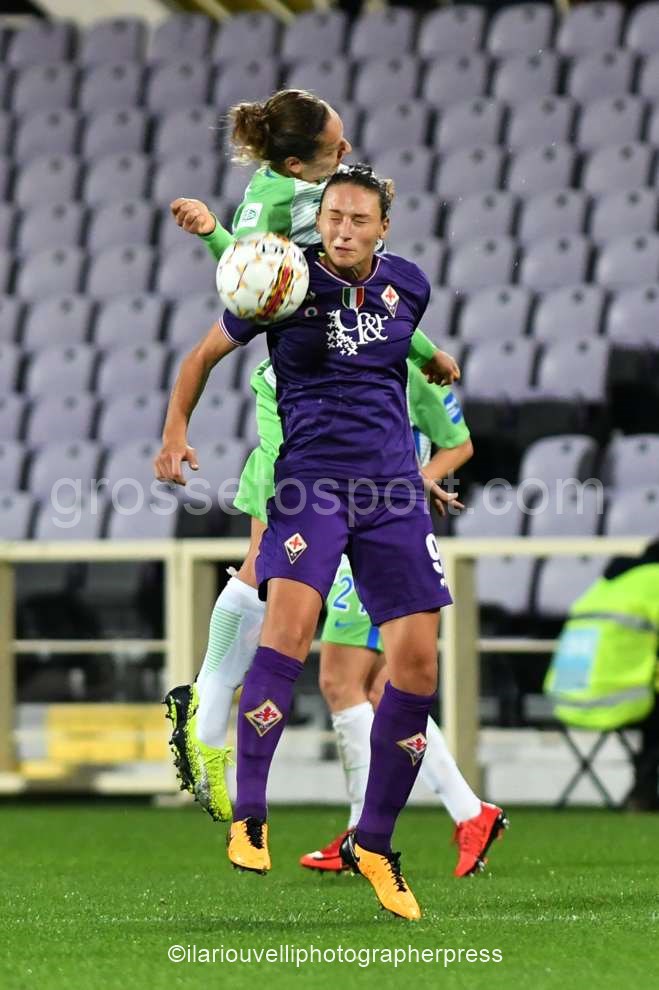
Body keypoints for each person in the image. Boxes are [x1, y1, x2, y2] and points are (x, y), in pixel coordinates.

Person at [162, 90, 506, 878]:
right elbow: (251, 283)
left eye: (359, 218)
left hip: (380, 497)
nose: (346, 151)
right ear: (301, 171)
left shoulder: (391, 305)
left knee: (363, 671)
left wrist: (424, 386)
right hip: (305, 448)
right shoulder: (289, 229)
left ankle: (392, 820)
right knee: (324, 653)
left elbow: (448, 425)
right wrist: (215, 236)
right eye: (334, 144)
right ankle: (216, 730)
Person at [545, 539, 659, 811]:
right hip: (615, 699)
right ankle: (643, 790)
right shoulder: (654, 579)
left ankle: (643, 790)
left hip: (566, 697)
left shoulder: (606, 583)